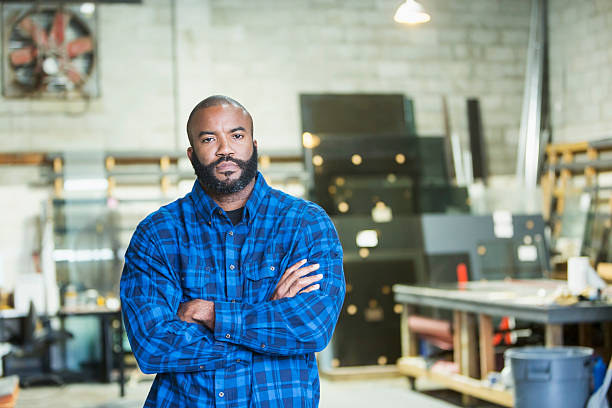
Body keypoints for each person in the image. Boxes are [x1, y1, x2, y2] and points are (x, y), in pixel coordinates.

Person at [120, 95, 345, 407]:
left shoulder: (305, 224)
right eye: (209, 138)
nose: (225, 148)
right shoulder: (157, 234)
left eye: (236, 136)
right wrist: (269, 319)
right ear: (191, 153)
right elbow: (153, 346)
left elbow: (313, 327)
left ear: (253, 143)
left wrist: (211, 315)